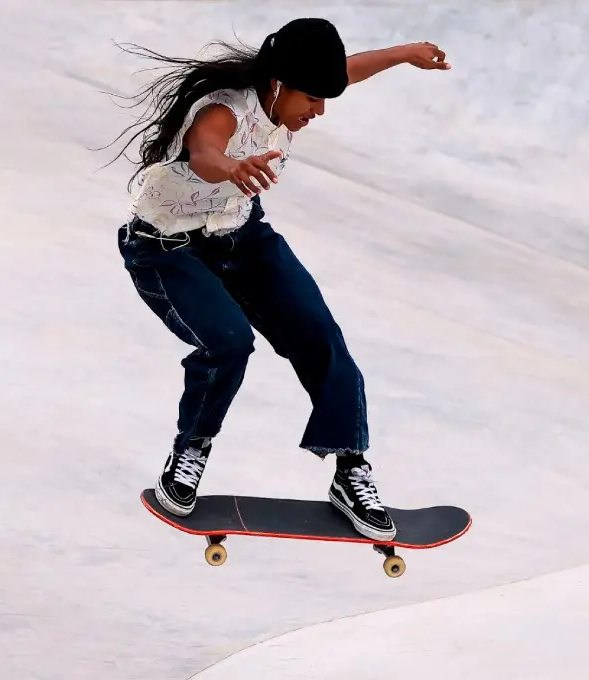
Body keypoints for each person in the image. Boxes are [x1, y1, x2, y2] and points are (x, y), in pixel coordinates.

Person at [109, 18, 450, 541]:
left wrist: (406, 52)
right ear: (278, 84)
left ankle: (350, 467)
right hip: (167, 249)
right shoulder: (223, 109)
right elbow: (205, 150)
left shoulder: (291, 93)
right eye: (312, 99)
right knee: (228, 344)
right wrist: (231, 168)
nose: (317, 112)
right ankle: (190, 452)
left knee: (320, 337)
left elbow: (349, 71)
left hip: (242, 237)